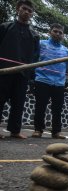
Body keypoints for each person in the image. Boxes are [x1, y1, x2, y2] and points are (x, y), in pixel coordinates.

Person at [0, 0, 39, 139]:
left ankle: (15, 131)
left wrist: (31, 75)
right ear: (18, 9)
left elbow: (35, 56)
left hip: (23, 74)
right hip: (4, 72)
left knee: (18, 103)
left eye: (30, 10)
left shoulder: (34, 35)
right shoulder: (5, 27)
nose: (27, 12)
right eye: (24, 9)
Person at [31, 23, 68, 139]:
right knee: (40, 106)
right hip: (42, 80)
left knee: (57, 109)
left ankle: (56, 132)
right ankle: (38, 129)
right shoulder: (41, 44)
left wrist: (60, 79)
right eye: (55, 31)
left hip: (59, 83)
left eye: (60, 32)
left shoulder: (66, 51)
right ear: (50, 32)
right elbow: (34, 58)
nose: (57, 34)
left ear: (63, 35)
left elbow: (66, 66)